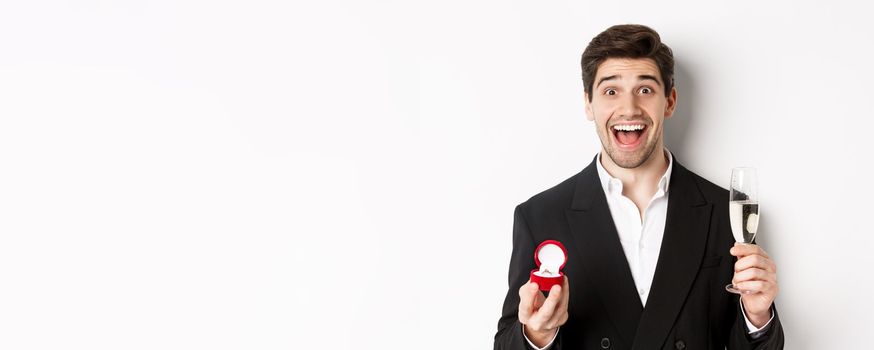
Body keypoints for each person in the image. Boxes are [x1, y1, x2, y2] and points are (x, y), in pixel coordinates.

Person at [494, 24, 785, 350]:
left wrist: (757, 318)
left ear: (670, 101)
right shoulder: (540, 216)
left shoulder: (724, 212)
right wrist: (537, 336)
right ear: (589, 104)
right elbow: (506, 342)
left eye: (645, 90)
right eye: (611, 91)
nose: (629, 108)